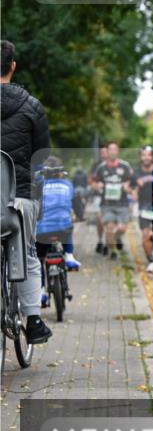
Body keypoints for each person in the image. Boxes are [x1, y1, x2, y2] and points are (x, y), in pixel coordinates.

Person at [0, 39, 53, 344]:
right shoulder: (32, 106)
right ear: (13, 66)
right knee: (29, 255)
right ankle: (33, 321)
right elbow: (42, 157)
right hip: (19, 198)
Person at [36, 157, 80, 307]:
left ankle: (41, 292)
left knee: (39, 261)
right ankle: (69, 255)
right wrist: (79, 215)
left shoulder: (38, 186)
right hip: (63, 228)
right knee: (68, 226)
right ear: (61, 172)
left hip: (41, 231)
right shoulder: (68, 185)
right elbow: (75, 203)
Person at [91, 141, 134, 259]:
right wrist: (97, 185)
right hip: (107, 204)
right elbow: (93, 182)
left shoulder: (125, 166)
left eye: (115, 150)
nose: (113, 152)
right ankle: (113, 250)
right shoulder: (101, 167)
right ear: (107, 152)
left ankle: (113, 240)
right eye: (110, 150)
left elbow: (133, 180)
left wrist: (128, 186)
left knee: (121, 228)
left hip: (122, 203)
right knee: (109, 228)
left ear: (118, 151)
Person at [89, 145, 108, 254]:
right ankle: (101, 241)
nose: (103, 155)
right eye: (102, 153)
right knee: (100, 219)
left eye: (105, 152)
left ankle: (111, 241)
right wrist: (95, 185)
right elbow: (91, 180)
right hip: (99, 196)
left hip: (113, 198)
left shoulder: (116, 165)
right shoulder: (96, 165)